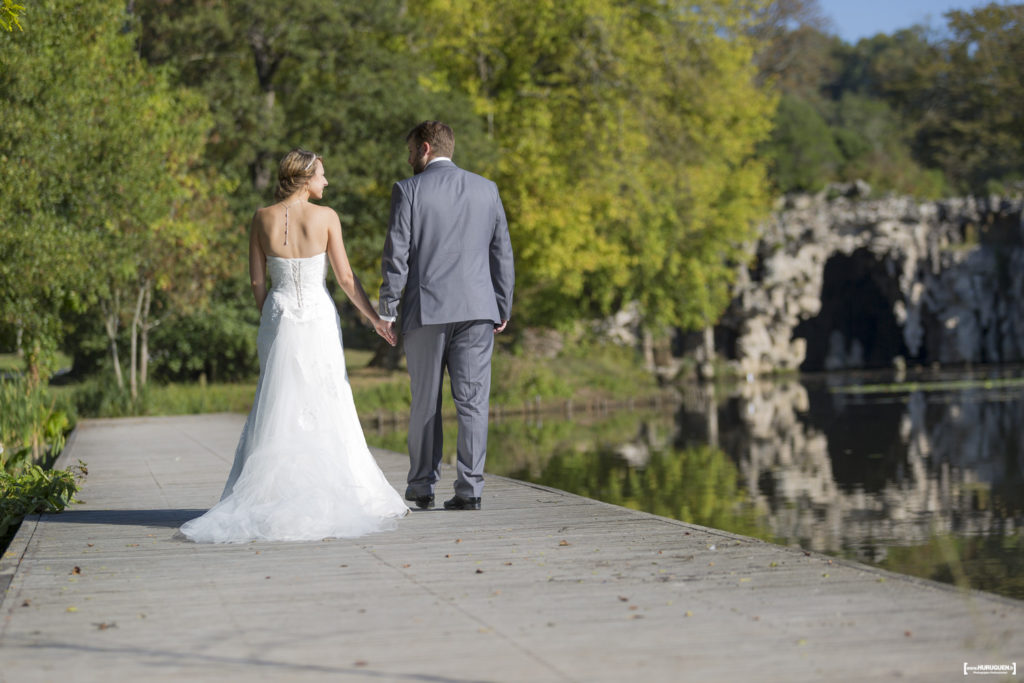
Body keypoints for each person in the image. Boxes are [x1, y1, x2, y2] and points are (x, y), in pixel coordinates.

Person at [181, 149, 409, 543]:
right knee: (326, 396)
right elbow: (346, 277)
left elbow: (257, 282)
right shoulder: (327, 217)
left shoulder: (260, 217)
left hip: (279, 312)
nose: (326, 182)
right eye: (322, 175)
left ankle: (269, 493)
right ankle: (335, 489)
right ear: (305, 179)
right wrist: (375, 319)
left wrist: (268, 313)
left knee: (277, 399)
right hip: (317, 316)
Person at [379, 121, 514, 511]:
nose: (408, 159)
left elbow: (396, 257)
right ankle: (470, 489)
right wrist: (502, 305)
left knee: (425, 401)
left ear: (424, 148)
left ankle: (422, 486)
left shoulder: (408, 190)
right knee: (473, 402)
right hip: (477, 309)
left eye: (410, 151)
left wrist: (388, 308)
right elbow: (501, 252)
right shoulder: (487, 189)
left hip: (428, 309)